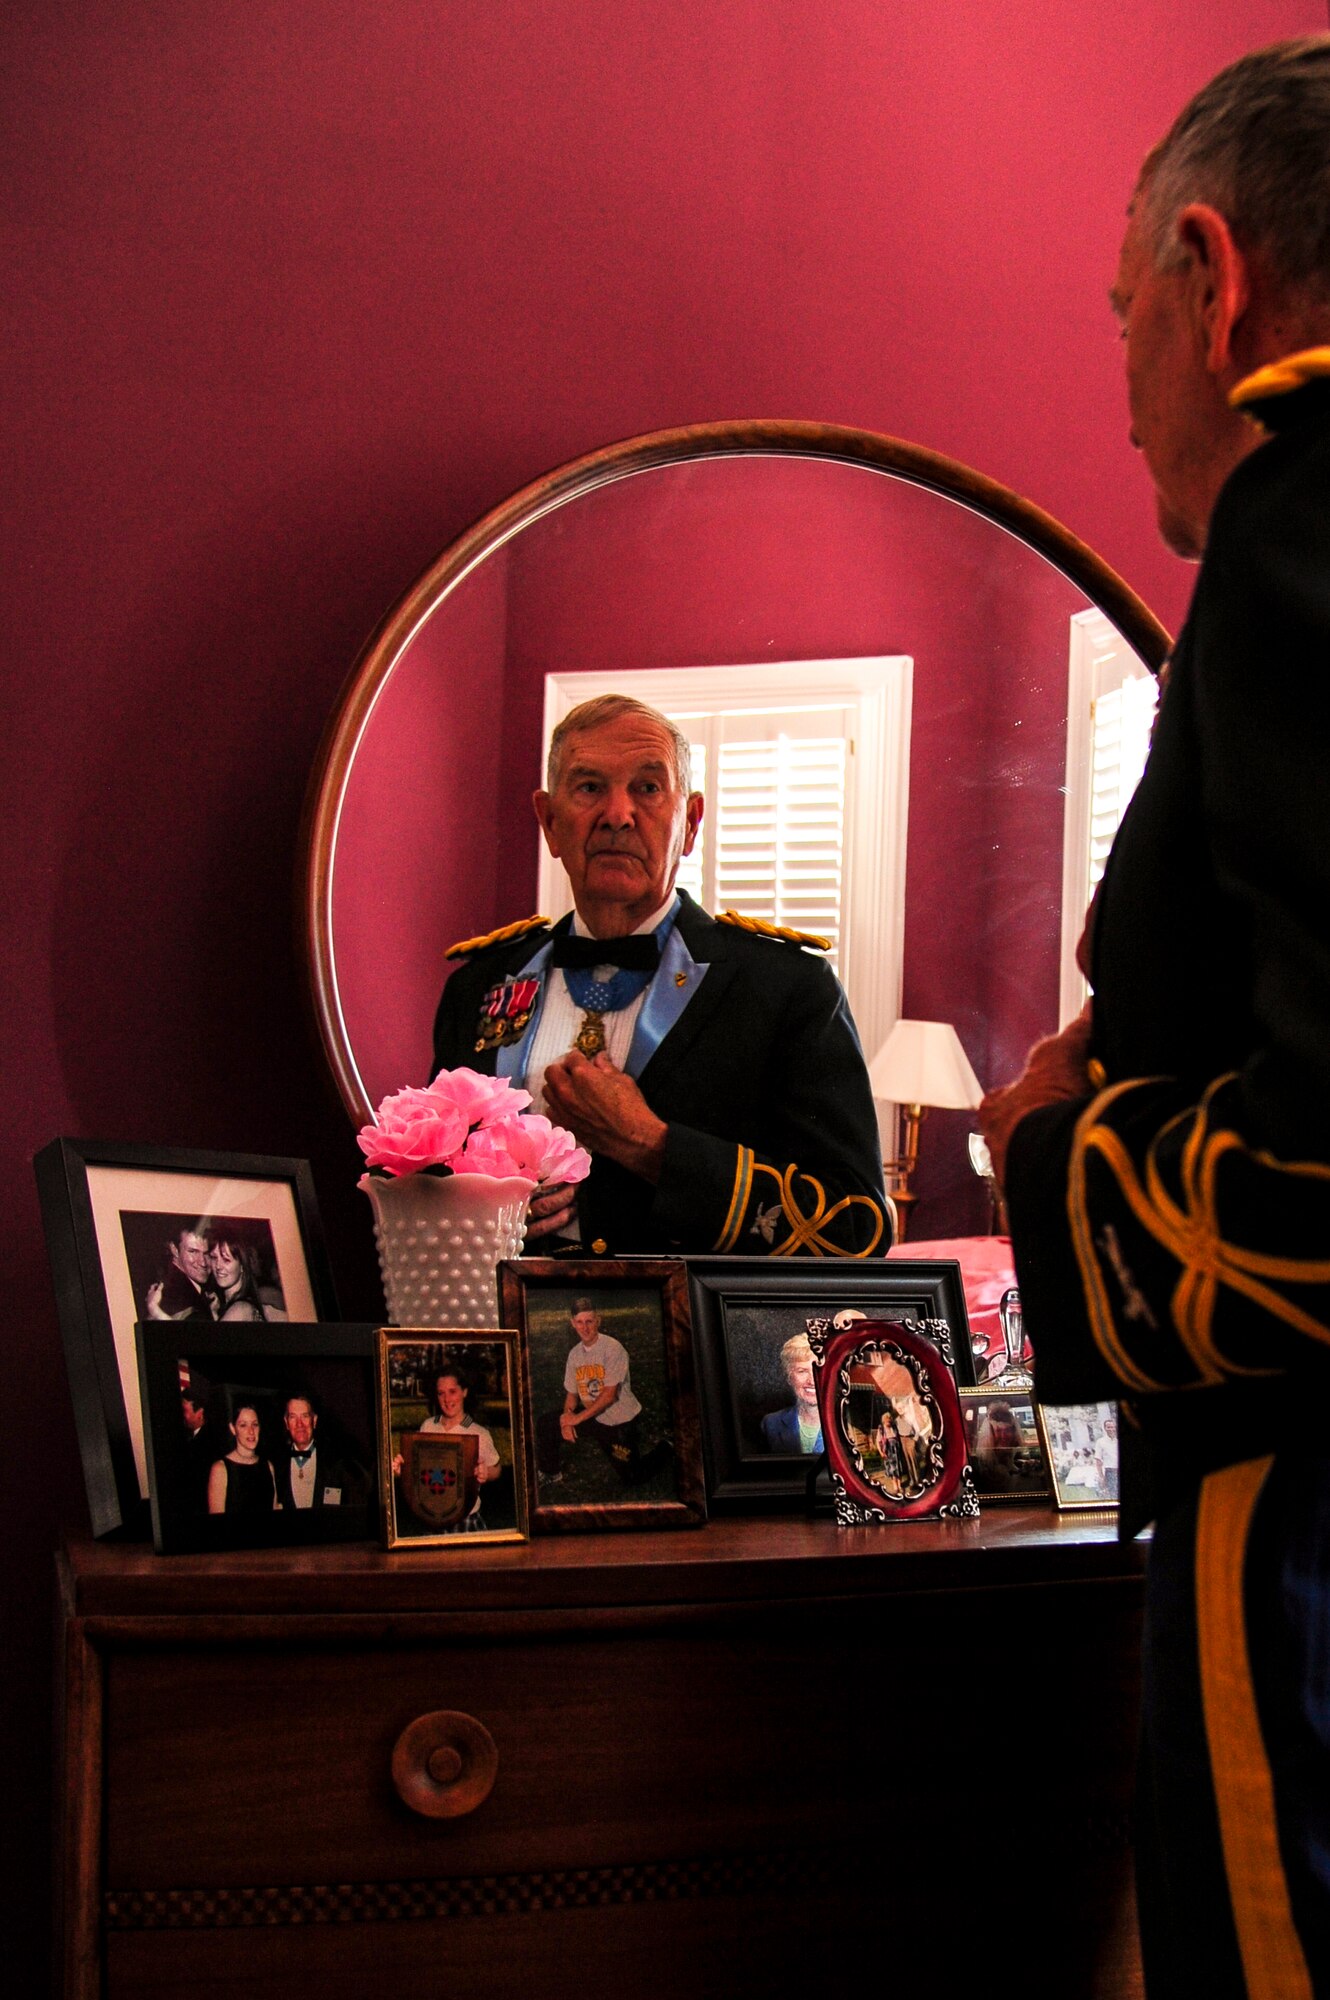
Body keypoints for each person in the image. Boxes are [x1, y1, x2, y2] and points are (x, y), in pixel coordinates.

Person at [977, 37, 1330, 1996]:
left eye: (1124, 320)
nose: (1121, 396)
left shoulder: (1299, 527)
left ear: (1210, 278)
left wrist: (1048, 1150)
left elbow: (1312, 1186)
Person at [431, 694, 890, 1258]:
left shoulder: (787, 989)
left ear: (690, 822)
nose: (617, 815)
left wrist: (652, 1146)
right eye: (589, 787)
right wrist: (474, 1208)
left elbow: (857, 1226)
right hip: (502, 1331)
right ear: (549, 822)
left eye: (648, 789)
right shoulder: (479, 986)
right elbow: (427, 1179)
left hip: (691, 1337)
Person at [535, 1297, 669, 1486]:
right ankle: (551, 1472)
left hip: (619, 1422)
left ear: (598, 1320)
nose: (585, 1328)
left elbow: (609, 1396)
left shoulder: (613, 1349)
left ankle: (666, 1448)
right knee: (547, 1423)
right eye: (580, 1322)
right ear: (573, 1323)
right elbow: (572, 1394)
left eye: (589, 1321)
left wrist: (576, 1419)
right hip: (593, 1416)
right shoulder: (574, 1354)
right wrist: (567, 1418)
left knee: (633, 1477)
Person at [407, 1367, 501, 1531]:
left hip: (466, 1519)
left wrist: (487, 1472)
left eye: (452, 1391)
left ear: (464, 1392)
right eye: (441, 1393)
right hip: (433, 1517)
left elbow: (497, 1468)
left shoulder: (478, 1432)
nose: (447, 1399)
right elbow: (417, 1467)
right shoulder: (428, 1426)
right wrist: (404, 1465)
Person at [271, 1391, 366, 1511]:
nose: (299, 1424)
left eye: (305, 1416)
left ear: (314, 1420)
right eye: (293, 1417)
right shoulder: (276, 1466)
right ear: (286, 1423)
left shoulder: (336, 1464)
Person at [206, 1404, 278, 1515]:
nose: (251, 1431)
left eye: (255, 1424)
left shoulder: (268, 1466)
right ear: (233, 1429)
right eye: (243, 1425)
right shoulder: (220, 1469)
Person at [760, 1332, 823, 1454]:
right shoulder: (771, 1424)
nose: (811, 1381)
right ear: (789, 1377)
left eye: (818, 1371)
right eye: (802, 1371)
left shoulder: (848, 1424)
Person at [208, 1235, 288, 1322]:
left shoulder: (240, 1309)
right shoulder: (244, 1306)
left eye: (226, 1260)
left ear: (242, 1266)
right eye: (214, 1258)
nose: (218, 1266)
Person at [149, 1223, 216, 1320]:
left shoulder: (192, 1288)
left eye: (207, 1253)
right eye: (193, 1251)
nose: (203, 1262)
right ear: (174, 1249)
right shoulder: (175, 1296)